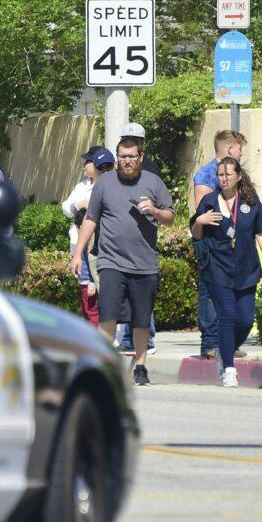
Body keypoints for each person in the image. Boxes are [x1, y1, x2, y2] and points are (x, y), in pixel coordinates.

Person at [70, 136, 175, 386]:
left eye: (131, 156)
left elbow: (170, 217)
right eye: (122, 156)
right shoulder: (105, 183)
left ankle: (140, 366)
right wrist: (77, 254)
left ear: (140, 158)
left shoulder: (154, 183)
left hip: (144, 263)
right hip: (111, 261)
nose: (127, 161)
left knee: (141, 318)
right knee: (107, 313)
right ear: (117, 158)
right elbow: (91, 219)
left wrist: (155, 211)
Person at [191, 158, 262, 387]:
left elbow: (261, 232)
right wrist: (200, 221)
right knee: (227, 317)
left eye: (229, 174)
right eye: (220, 175)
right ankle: (229, 368)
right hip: (218, 268)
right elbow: (197, 235)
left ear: (239, 176)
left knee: (246, 319)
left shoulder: (249, 201)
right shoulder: (209, 201)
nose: (224, 179)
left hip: (246, 268)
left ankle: (224, 350)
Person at [191, 129, 248, 360]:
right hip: (210, 244)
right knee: (210, 293)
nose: (242, 152)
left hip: (232, 245)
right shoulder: (207, 175)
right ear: (230, 148)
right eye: (239, 148)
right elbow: (202, 212)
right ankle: (210, 344)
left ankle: (228, 343)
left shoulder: (237, 173)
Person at [116, 122, 163, 354]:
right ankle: (127, 340)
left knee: (143, 290)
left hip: (144, 238)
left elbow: (160, 204)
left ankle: (147, 339)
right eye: (126, 138)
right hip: (121, 242)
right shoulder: (117, 172)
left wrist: (150, 208)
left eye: (135, 140)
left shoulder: (151, 169)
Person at [62, 145, 116, 326]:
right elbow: (66, 208)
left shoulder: (108, 186)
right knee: (86, 289)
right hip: (80, 244)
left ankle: (106, 333)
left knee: (101, 291)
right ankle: (93, 331)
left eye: (87, 162)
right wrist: (79, 203)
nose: (84, 166)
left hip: (99, 245)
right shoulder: (82, 186)